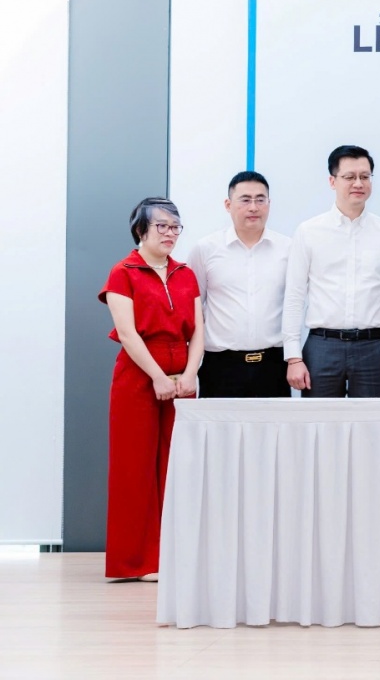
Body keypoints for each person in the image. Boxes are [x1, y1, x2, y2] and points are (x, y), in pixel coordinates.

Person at [98, 197, 204, 580]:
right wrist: (158, 376)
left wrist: (190, 374)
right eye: (162, 226)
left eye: (175, 226)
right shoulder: (122, 272)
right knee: (135, 467)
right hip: (139, 376)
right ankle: (136, 562)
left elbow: (199, 331)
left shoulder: (185, 273)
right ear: (141, 229)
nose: (170, 233)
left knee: (177, 466)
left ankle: (173, 556)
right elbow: (127, 333)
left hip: (182, 378)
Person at [282, 145, 380, 397]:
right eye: (349, 176)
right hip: (322, 346)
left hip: (373, 348)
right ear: (332, 181)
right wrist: (293, 357)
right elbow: (294, 295)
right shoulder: (309, 232)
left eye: (365, 176)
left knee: (371, 421)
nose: (358, 183)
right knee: (319, 421)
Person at [187, 171, 291, 398]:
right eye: (245, 200)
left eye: (260, 199)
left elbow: (295, 306)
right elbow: (193, 309)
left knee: (273, 423)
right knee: (217, 423)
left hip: (273, 365)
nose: (253, 207)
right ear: (228, 204)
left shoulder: (288, 249)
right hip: (221, 366)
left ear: (269, 204)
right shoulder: (205, 249)